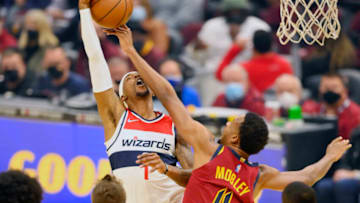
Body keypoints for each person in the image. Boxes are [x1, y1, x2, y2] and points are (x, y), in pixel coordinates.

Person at [106, 24, 351, 203]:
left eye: (234, 123)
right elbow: (306, 177)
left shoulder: (208, 147)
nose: (229, 122)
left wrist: (131, 51)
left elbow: (168, 95)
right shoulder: (259, 175)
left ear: (235, 138)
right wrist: (329, 157)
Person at [79, 1, 192, 203]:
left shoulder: (173, 125)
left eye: (139, 74)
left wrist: (167, 168)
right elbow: (95, 59)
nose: (136, 75)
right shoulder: (117, 119)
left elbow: (194, 178)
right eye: (129, 77)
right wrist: (85, 11)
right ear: (122, 98)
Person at [216, 30, 293, 93]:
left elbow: (219, 74)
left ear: (253, 47)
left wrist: (235, 49)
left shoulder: (244, 68)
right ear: (272, 45)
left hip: (253, 108)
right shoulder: (284, 64)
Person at [302, 73, 360, 139]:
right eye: (326, 88)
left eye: (334, 88)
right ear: (319, 89)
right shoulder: (312, 109)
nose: (329, 91)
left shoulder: (356, 115)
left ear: (345, 90)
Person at [316, 127, 360, 203]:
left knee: (344, 185)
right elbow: (347, 157)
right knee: (324, 186)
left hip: (355, 176)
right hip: (349, 175)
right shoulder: (357, 134)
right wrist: (341, 170)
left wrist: (353, 174)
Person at [18, 9, 59, 77]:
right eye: (27, 24)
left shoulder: (50, 44)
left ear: (41, 25)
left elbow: (42, 68)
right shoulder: (23, 42)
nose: (29, 27)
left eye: (33, 24)